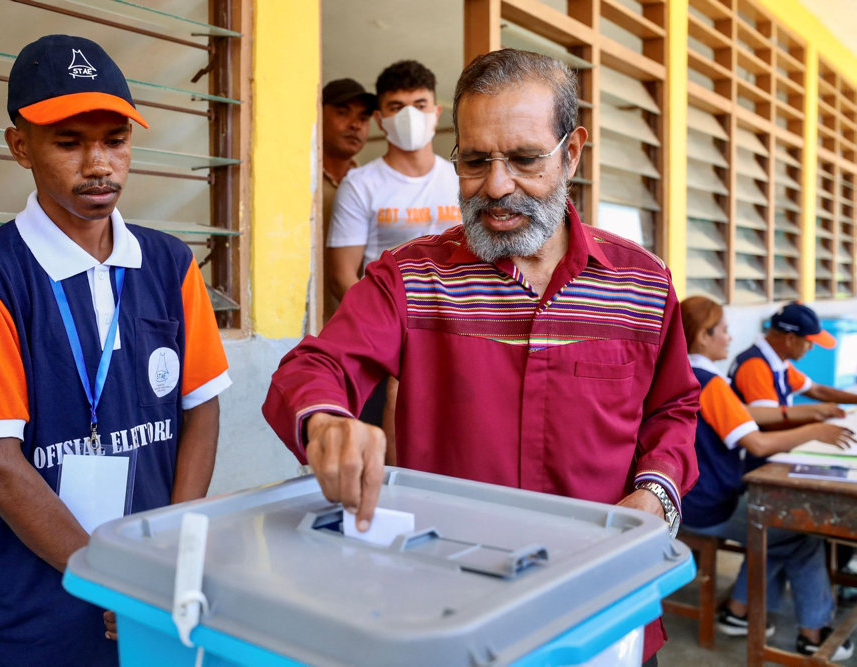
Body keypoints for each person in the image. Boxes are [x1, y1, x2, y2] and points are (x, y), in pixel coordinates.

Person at [263, 48, 699, 663]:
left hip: (604, 603)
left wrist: (655, 492)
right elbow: (313, 368)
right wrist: (326, 420)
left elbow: (673, 409)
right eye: (474, 161)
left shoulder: (642, 284)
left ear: (571, 153)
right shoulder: (412, 279)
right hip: (448, 615)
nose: (496, 186)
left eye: (523, 160)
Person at [0, 35, 230, 665]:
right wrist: (110, 579)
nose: (99, 164)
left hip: (151, 596)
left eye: (115, 140)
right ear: (21, 147)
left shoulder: (171, 263)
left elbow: (200, 410)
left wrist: (163, 559)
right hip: (41, 609)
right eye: (69, 142)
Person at [679, 296, 854, 660]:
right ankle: (814, 633)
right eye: (723, 330)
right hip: (710, 505)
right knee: (797, 535)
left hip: (686, 498)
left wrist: (815, 417)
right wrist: (814, 430)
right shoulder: (712, 384)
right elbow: (757, 442)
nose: (730, 338)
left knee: (778, 535)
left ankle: (740, 613)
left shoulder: (682, 375)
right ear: (702, 337)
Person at [326, 60, 461, 430]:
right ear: (381, 119)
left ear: (436, 112)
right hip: (385, 347)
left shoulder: (461, 181)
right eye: (396, 107)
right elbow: (341, 277)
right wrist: (394, 339)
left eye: (419, 105)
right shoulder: (361, 184)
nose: (409, 116)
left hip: (457, 339)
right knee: (387, 458)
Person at [729, 301, 857, 411]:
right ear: (790, 339)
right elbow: (770, 422)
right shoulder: (755, 366)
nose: (811, 348)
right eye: (809, 342)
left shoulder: (778, 362)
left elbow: (816, 390)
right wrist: (818, 416)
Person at [321, 78, 375, 322]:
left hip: (354, 324)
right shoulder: (299, 185)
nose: (355, 124)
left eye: (363, 119)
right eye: (343, 113)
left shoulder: (368, 186)